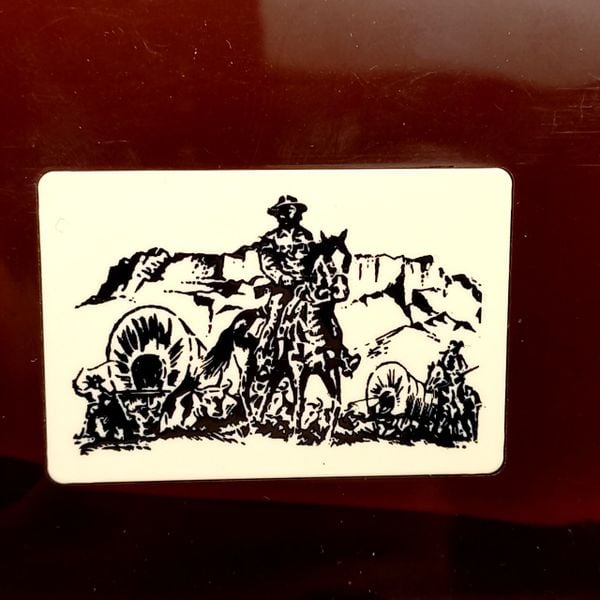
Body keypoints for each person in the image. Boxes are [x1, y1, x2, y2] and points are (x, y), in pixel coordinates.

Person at [254, 195, 360, 382]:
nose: (290, 214)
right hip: (283, 288)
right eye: (286, 210)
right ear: (279, 215)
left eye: (293, 210)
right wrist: (282, 277)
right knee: (276, 317)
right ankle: (265, 358)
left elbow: (315, 260)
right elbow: (268, 264)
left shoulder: (306, 236)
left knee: (326, 314)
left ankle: (342, 355)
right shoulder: (270, 239)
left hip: (306, 285)